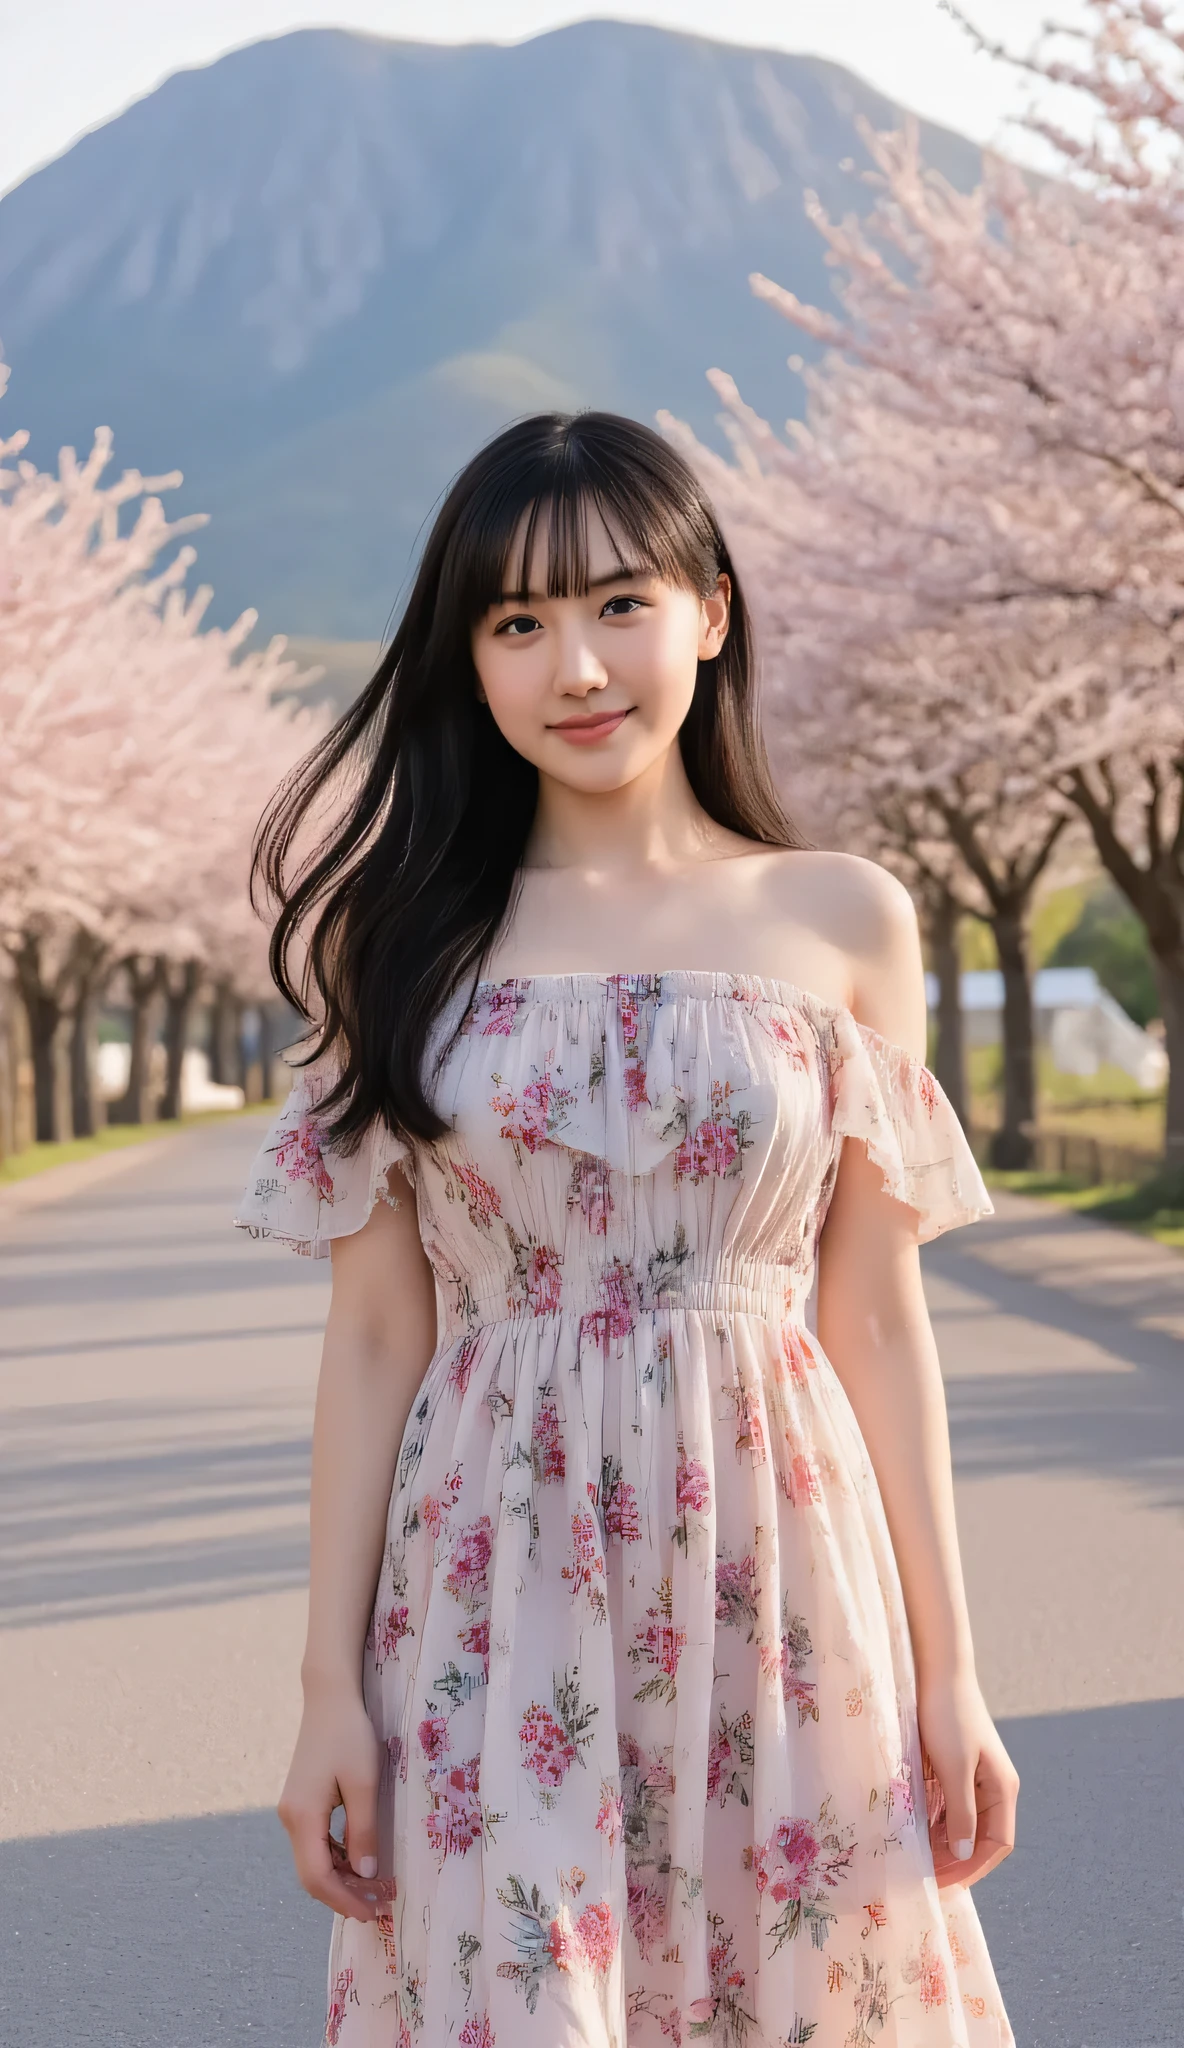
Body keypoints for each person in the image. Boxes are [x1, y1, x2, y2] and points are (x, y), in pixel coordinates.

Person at [236, 411, 1018, 2048]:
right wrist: (327, 1696)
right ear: (469, 664)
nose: (576, 666)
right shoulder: (392, 945)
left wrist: (953, 1670)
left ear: (710, 610)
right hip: (490, 1574)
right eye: (517, 624)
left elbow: (875, 1316)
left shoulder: (845, 917)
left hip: (784, 1570)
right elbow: (377, 1336)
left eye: (616, 604)